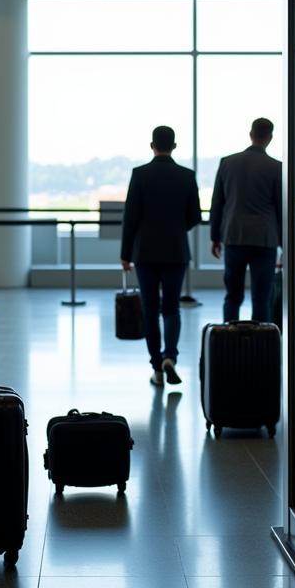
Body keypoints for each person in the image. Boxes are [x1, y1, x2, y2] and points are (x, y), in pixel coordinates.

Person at [120, 125, 201, 387]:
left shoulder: (140, 175)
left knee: (151, 309)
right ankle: (171, 356)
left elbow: (130, 217)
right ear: (174, 146)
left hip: (145, 252)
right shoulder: (187, 176)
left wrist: (125, 253)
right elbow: (194, 216)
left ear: (151, 145)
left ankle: (156, 368)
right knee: (172, 308)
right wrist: (177, 229)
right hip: (176, 251)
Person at [210, 118, 283, 324]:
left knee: (232, 296)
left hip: (234, 236)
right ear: (269, 138)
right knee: (262, 298)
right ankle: (260, 346)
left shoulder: (227, 162)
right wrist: (284, 244)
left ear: (251, 134)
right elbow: (280, 208)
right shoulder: (276, 167)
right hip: (265, 239)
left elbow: (218, 203)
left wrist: (215, 236)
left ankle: (229, 338)